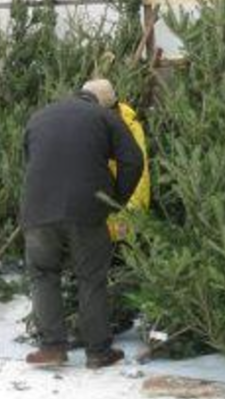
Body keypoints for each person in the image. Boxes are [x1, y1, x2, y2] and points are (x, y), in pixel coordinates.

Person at [21, 82, 144, 369]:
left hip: (37, 208)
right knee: (91, 278)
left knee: (42, 274)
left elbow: (29, 160)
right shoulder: (105, 117)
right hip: (87, 209)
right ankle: (98, 351)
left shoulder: (40, 116)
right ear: (108, 104)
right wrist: (114, 200)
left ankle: (52, 346)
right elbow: (133, 161)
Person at [87, 79, 151, 334]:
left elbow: (139, 172)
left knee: (123, 262)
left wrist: (131, 212)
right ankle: (108, 316)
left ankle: (123, 313)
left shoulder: (128, 125)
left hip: (123, 209)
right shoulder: (93, 124)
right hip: (101, 210)